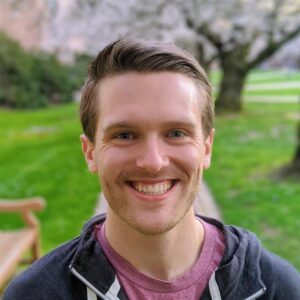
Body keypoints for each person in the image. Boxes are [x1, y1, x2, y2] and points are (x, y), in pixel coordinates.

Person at [3, 39, 300, 300]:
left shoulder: (277, 288)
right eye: (124, 135)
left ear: (206, 148)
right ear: (90, 152)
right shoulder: (36, 293)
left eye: (176, 133)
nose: (153, 162)